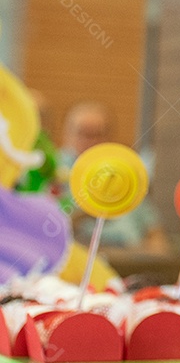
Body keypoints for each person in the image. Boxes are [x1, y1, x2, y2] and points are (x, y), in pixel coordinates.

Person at [58, 101, 169, 260]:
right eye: (83, 134)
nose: (90, 142)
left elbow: (155, 234)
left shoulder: (126, 175)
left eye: (97, 135)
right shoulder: (52, 174)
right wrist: (82, 214)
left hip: (127, 262)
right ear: (66, 135)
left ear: (110, 138)